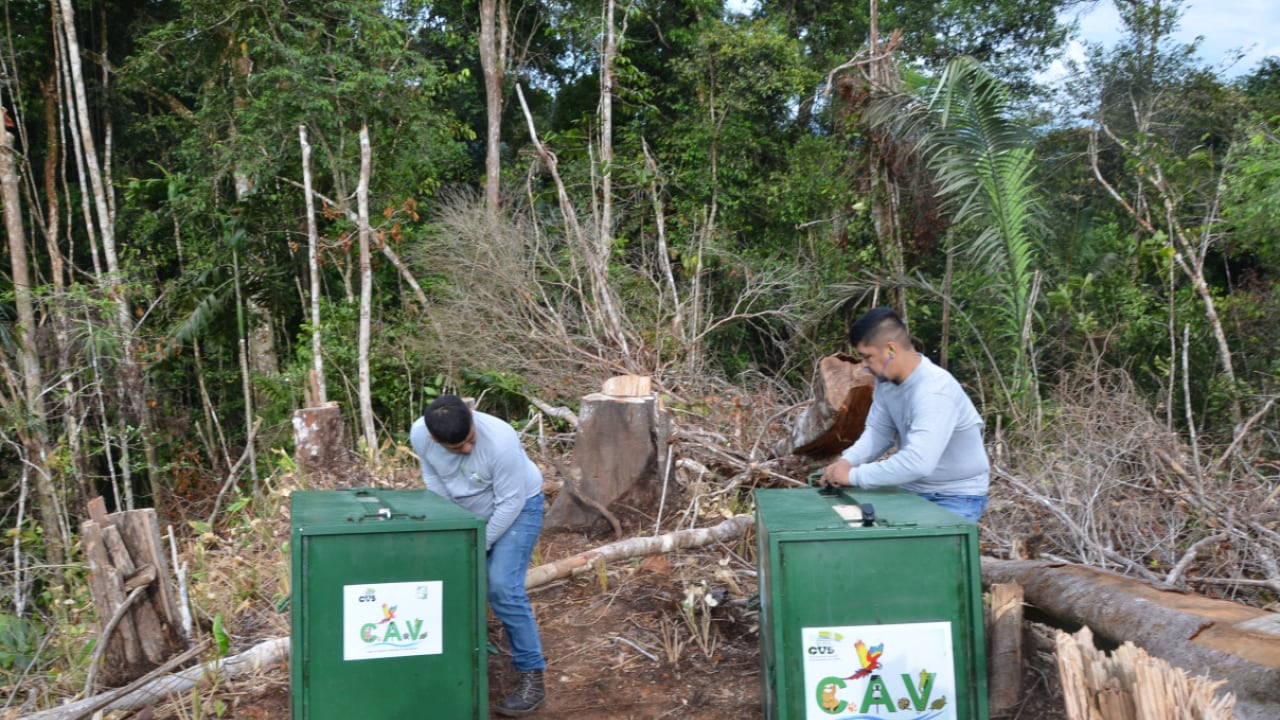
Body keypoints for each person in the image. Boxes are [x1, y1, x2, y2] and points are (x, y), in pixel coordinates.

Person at [410, 395, 547, 717]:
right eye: (457, 447)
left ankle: (532, 676)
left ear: (471, 413)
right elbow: (433, 480)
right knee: (451, 580)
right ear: (434, 439)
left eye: (470, 439)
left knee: (502, 586)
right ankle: (458, 663)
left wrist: (476, 542)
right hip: (466, 513)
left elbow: (510, 503)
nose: (468, 449)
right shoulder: (420, 435)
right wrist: (456, 526)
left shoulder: (501, 440)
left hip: (520, 509)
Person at [820, 307, 990, 522]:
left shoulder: (934, 391)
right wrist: (847, 461)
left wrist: (853, 476)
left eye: (867, 357)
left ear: (891, 349)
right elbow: (879, 433)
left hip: (955, 496)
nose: (863, 366)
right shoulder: (887, 383)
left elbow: (918, 463)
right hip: (910, 490)